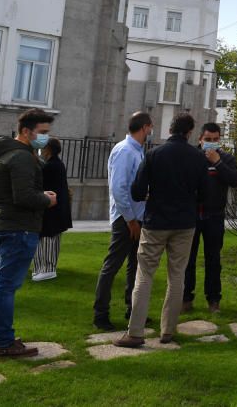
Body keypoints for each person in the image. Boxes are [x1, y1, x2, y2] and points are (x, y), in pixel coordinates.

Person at [116, 113, 208, 348]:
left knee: (144, 274)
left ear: (170, 129)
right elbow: (205, 194)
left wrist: (151, 195)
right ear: (189, 133)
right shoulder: (198, 158)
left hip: (156, 221)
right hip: (184, 224)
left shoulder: (154, 154)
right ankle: (168, 330)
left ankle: (135, 332)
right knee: (176, 275)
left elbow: (137, 191)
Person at [0, 109, 58, 358]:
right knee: (5, 287)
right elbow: (23, 196)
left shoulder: (5, 154)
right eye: (42, 132)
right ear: (25, 131)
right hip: (18, 228)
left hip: (4, 225)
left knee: (1, 286)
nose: (45, 138)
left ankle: (1, 336)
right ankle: (2, 341)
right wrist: (47, 199)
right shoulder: (21, 157)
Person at [93, 112, 153, 331]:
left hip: (137, 216)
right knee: (112, 266)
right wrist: (130, 220)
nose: (150, 132)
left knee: (135, 267)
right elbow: (118, 188)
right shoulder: (125, 151)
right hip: (126, 218)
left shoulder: (137, 151)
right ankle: (100, 314)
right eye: (150, 128)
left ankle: (133, 311)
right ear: (145, 127)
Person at [182, 122, 237, 314]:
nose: (212, 143)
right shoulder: (190, 158)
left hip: (214, 216)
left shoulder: (226, 159)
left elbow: (234, 180)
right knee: (187, 259)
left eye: (215, 140)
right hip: (192, 215)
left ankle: (213, 299)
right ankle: (186, 298)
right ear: (200, 139)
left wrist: (217, 163)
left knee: (213, 260)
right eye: (208, 140)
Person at [32, 138, 72, 281]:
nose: (41, 150)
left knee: (47, 238)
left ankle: (46, 268)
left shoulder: (51, 166)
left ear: (48, 149)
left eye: (43, 148)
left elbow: (39, 181)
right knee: (50, 238)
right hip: (56, 209)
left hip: (51, 209)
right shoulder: (56, 164)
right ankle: (46, 268)